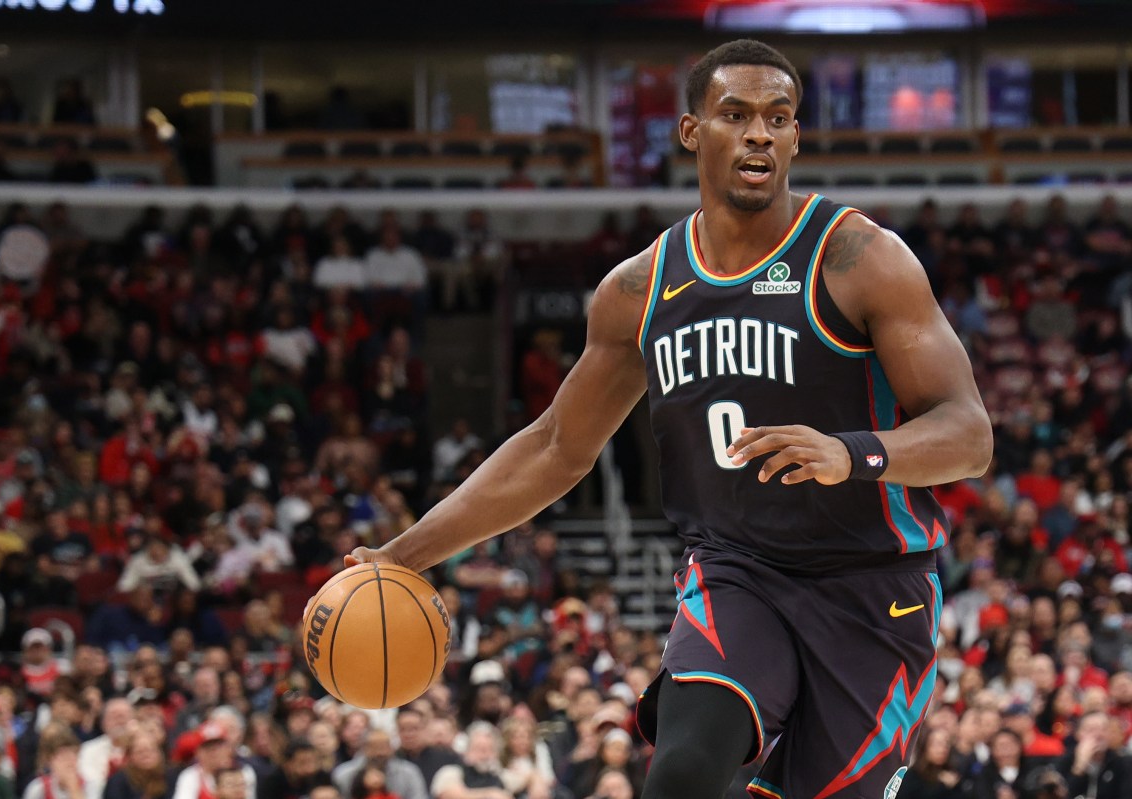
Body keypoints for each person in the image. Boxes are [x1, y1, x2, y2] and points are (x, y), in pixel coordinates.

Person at [340, 39, 992, 799]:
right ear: (691, 131)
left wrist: (853, 453)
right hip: (737, 571)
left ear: (795, 137)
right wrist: (403, 555)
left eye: (778, 118)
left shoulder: (859, 257)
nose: (759, 134)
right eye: (735, 115)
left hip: (873, 588)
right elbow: (554, 448)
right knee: (682, 770)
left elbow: (969, 434)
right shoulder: (639, 289)